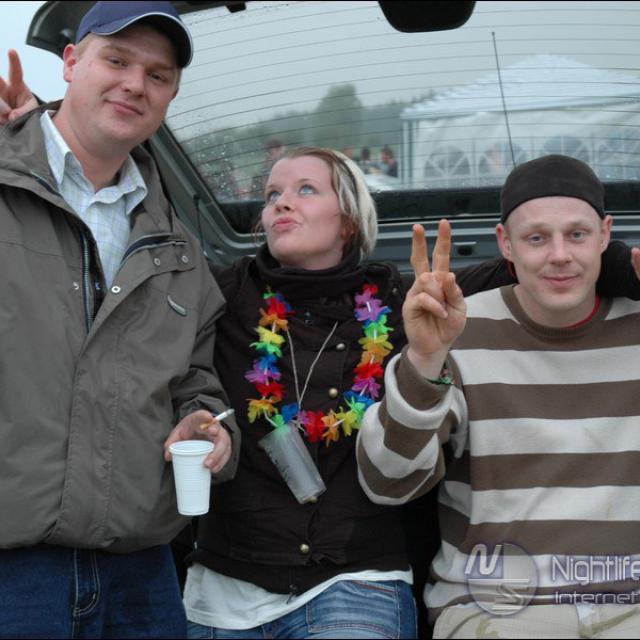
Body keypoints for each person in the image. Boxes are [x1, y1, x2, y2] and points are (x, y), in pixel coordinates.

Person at [182, 148, 640, 639]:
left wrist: (624, 266)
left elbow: (537, 268)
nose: (281, 203)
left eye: (305, 190)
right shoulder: (225, 294)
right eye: (272, 194)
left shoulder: (403, 301)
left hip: (353, 574)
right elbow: (172, 350)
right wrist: (197, 414)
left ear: (350, 220)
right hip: (233, 575)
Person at [0, 2, 239, 638]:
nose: (136, 84)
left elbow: (195, 379)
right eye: (117, 60)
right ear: (71, 63)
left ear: (171, 96)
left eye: (158, 76)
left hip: (140, 576)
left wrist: (205, 421)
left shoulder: (181, 248)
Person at [357, 154, 640, 638]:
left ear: (605, 235)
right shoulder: (457, 328)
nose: (559, 255)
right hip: (496, 609)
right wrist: (424, 360)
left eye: (576, 234)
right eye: (537, 238)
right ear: (505, 243)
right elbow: (387, 482)